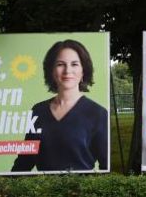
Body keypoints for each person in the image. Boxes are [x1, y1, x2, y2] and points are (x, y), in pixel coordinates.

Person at [12, 39, 108, 172]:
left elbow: (106, 166)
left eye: (74, 64)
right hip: (44, 190)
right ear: (51, 70)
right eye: (60, 64)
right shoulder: (38, 111)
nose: (67, 70)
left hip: (81, 190)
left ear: (83, 71)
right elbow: (25, 160)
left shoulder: (98, 113)